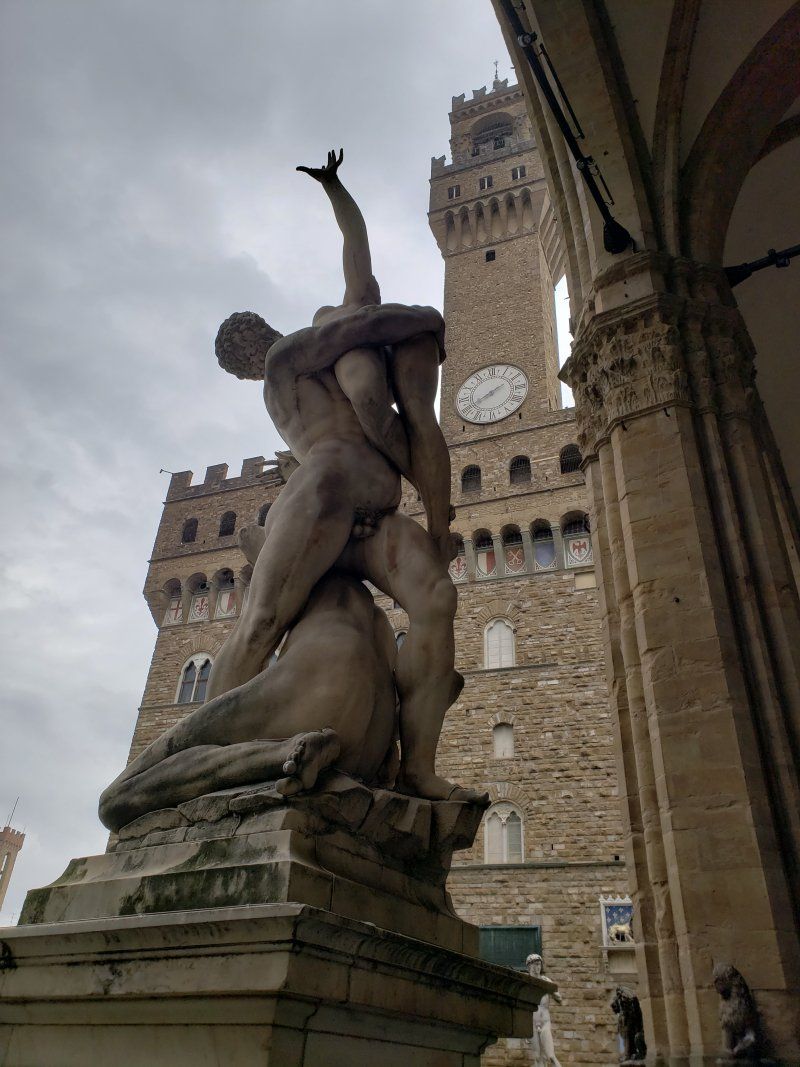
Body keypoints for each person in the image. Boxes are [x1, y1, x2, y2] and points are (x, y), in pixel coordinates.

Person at [208, 150, 474, 802]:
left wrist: (335, 189)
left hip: (375, 514)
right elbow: (365, 318)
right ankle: (205, 758)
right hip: (325, 493)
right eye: (250, 344)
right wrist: (423, 321)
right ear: (250, 354)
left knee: (437, 601)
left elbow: (359, 260)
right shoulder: (285, 365)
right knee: (262, 621)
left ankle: (417, 767)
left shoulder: (332, 348)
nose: (259, 341)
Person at [99, 566, 398, 832]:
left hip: (316, 679)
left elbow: (258, 626)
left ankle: (282, 754)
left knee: (114, 802)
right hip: (374, 731)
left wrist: (222, 709)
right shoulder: (384, 589)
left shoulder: (301, 528)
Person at [526, 953, 563, 1067]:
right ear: (529, 966)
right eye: (535, 964)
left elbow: (559, 999)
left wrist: (552, 991)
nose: (538, 967)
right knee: (537, 1057)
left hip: (545, 1021)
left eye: (539, 964)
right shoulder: (526, 982)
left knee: (551, 1056)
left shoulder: (546, 980)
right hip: (531, 1023)